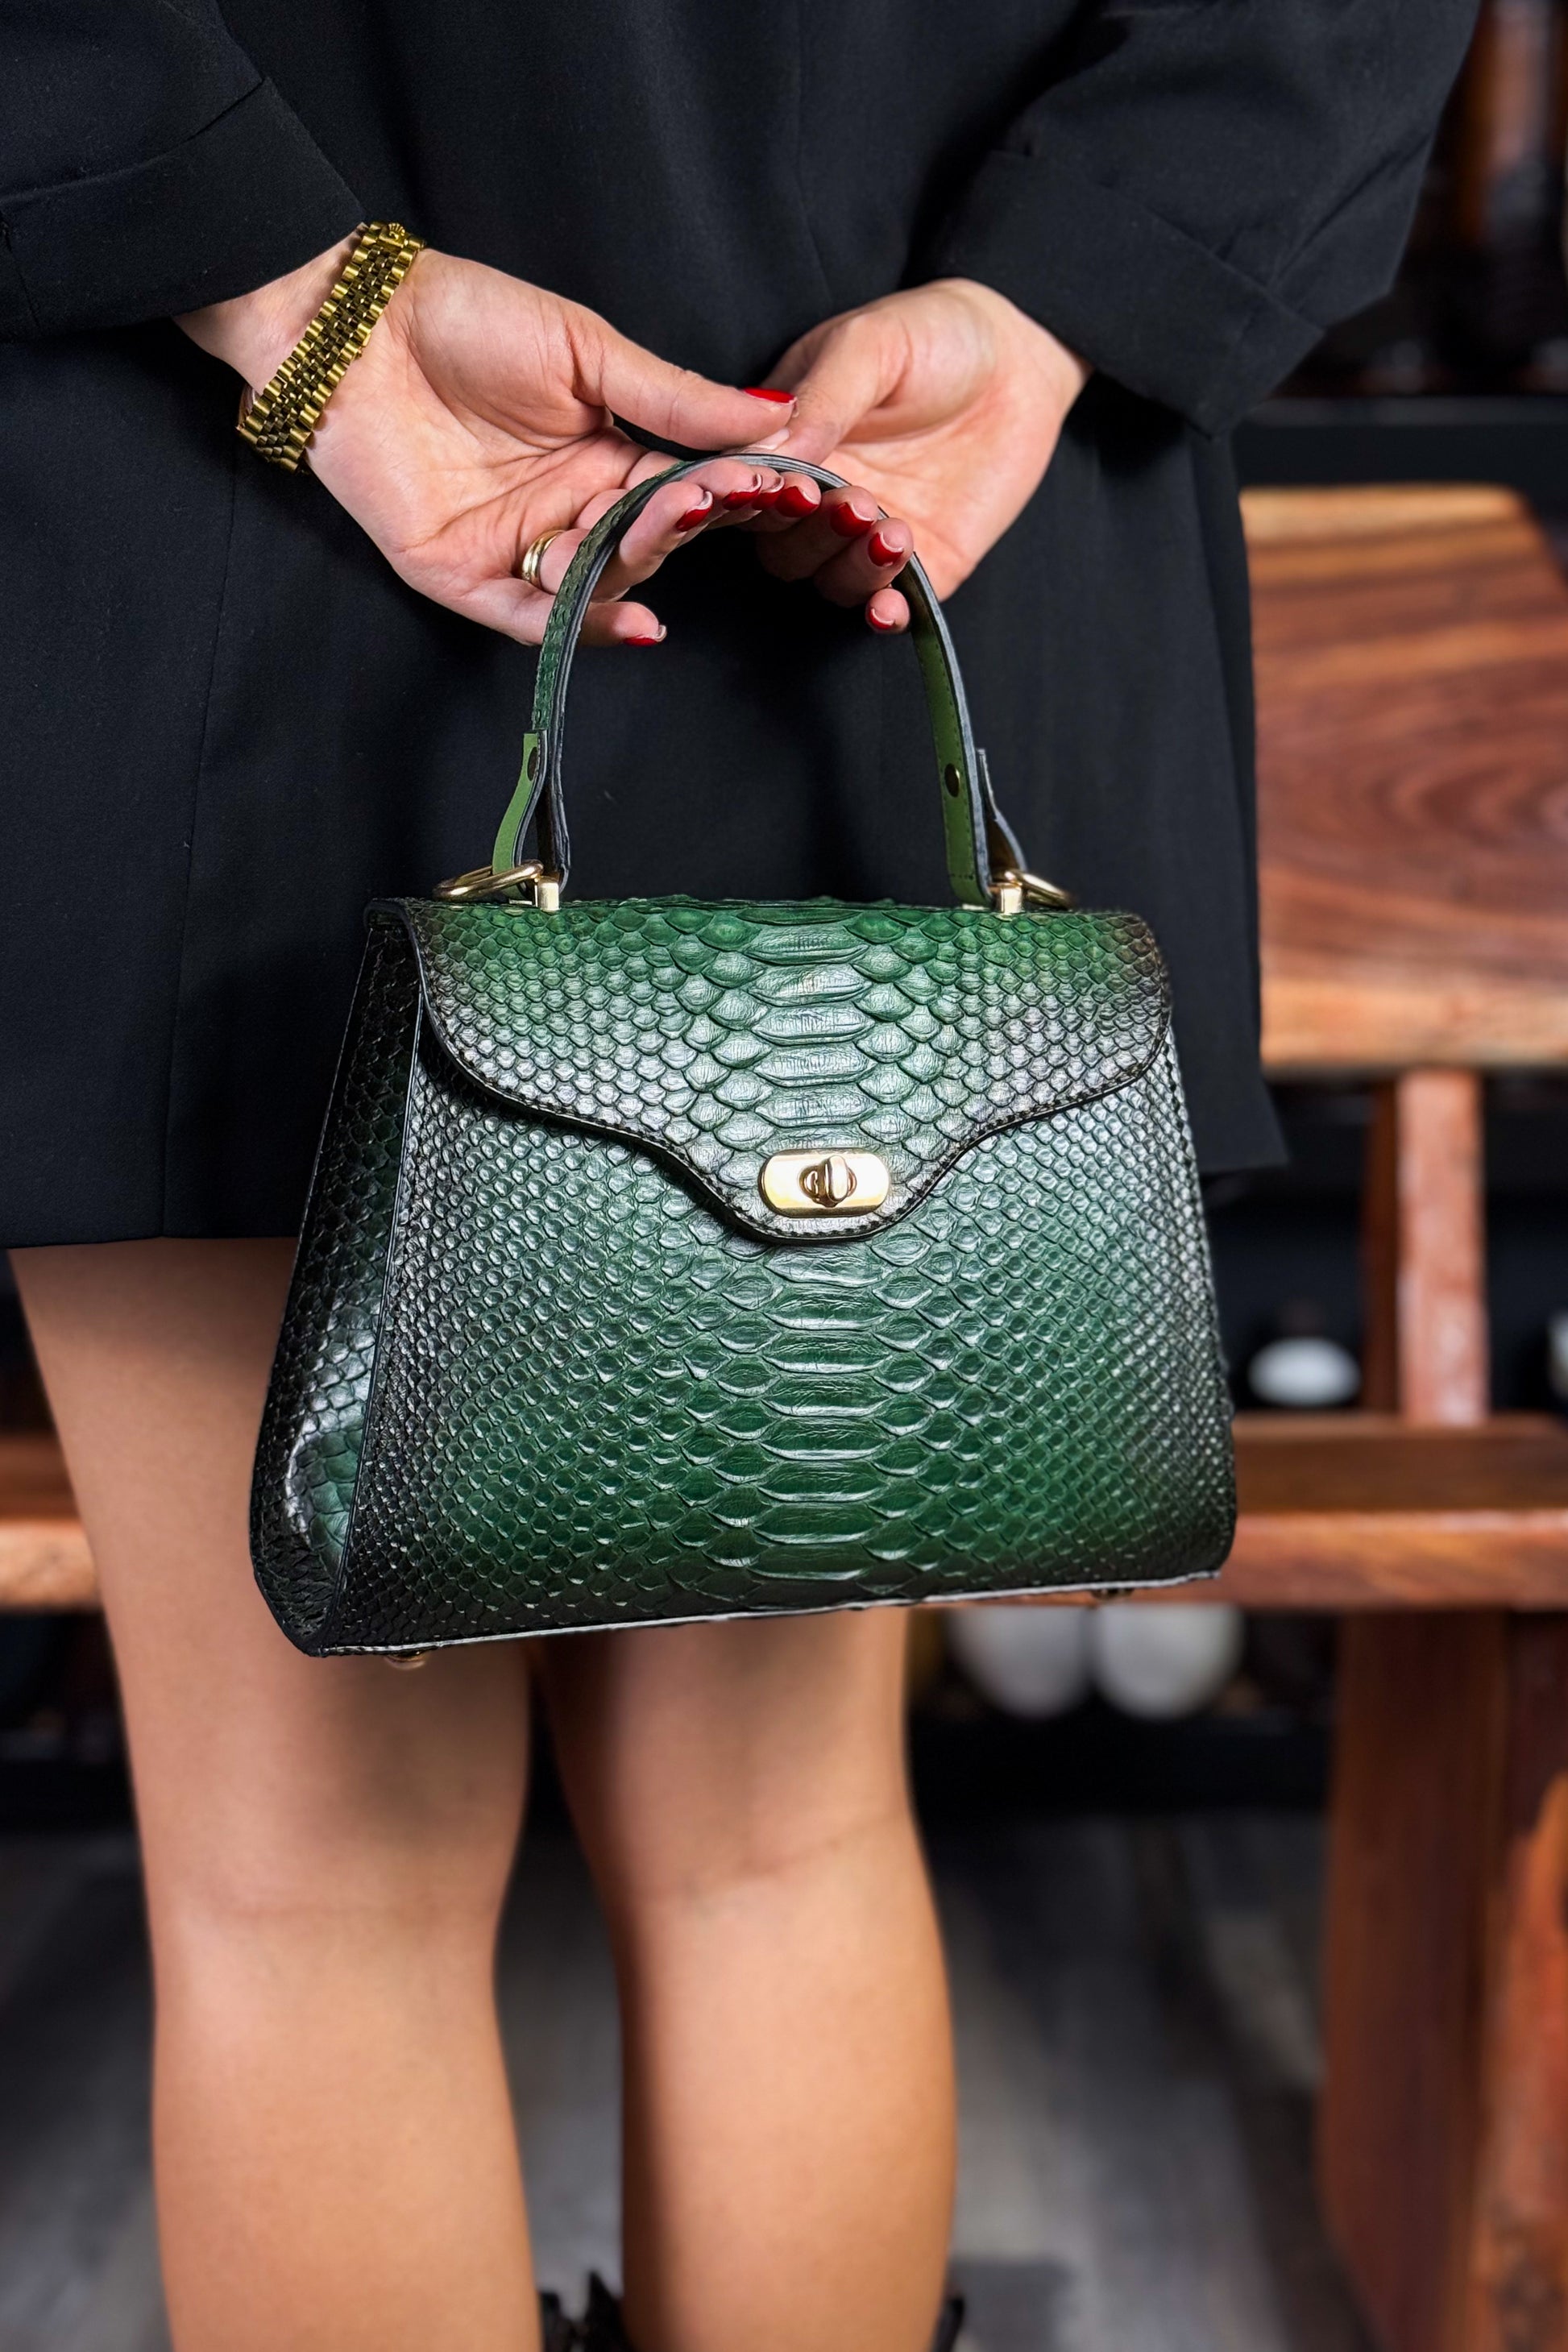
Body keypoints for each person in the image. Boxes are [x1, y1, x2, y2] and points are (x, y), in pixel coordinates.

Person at [1, 5, 1475, 2347]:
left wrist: (291, 294)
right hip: (890, 501)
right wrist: (1063, 289)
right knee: (776, 1842)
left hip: (235, 524)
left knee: (306, 1885)